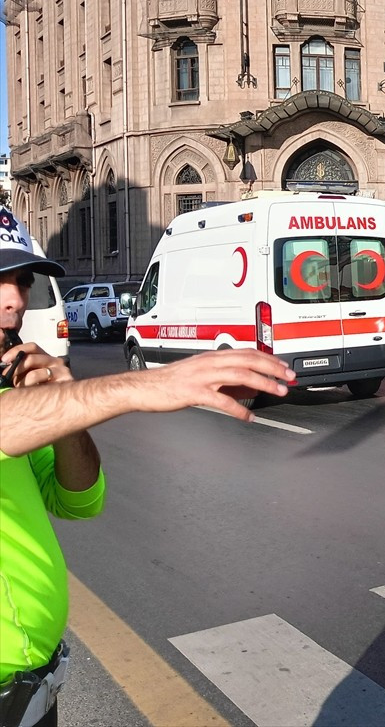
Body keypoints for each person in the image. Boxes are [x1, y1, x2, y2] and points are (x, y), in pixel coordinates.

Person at [0, 209, 294, 727]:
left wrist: (65, 407)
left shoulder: (13, 388)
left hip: (32, 683)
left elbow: (78, 500)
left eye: (22, 282)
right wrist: (142, 386)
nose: (17, 301)